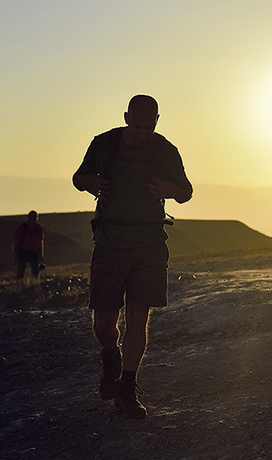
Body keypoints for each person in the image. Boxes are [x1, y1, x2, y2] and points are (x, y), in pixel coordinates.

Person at [73, 94, 193, 418]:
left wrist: (170, 190)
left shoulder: (165, 150)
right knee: (103, 324)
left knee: (138, 316)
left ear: (157, 120)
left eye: (149, 125)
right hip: (110, 243)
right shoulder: (104, 145)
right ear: (126, 117)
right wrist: (91, 182)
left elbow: (186, 191)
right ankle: (110, 355)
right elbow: (78, 178)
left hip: (150, 243)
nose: (142, 133)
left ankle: (127, 386)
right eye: (137, 125)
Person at [13, 210, 45, 280]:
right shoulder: (22, 227)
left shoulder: (39, 228)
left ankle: (34, 284)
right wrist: (16, 255)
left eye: (34, 217)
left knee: (35, 272)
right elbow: (16, 242)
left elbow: (41, 242)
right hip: (23, 253)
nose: (33, 219)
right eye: (32, 217)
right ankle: (19, 285)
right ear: (28, 217)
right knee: (20, 272)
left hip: (34, 253)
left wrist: (41, 255)